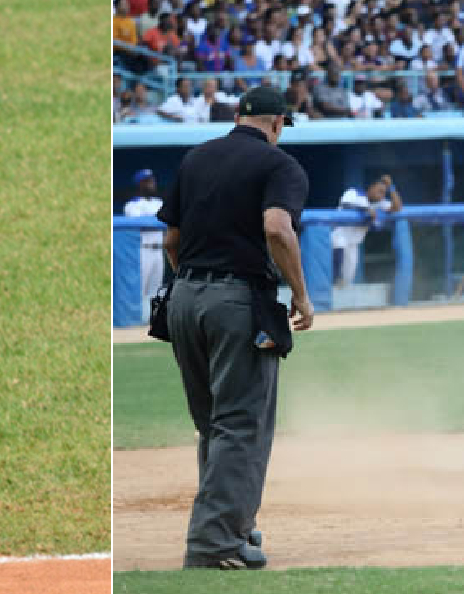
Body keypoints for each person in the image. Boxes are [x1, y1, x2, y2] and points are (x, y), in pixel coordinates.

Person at [157, 86, 313, 570]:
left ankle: (235, 525)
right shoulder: (279, 165)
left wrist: (192, 282)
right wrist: (302, 296)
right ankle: (213, 544)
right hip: (237, 300)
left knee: (214, 424)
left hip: (184, 298)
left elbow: (172, 237)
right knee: (241, 425)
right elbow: (276, 228)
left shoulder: (197, 158)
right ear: (277, 123)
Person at [330, 175, 403, 286]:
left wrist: (391, 187)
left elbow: (397, 208)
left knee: (347, 279)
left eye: (384, 192)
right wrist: (366, 209)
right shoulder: (354, 192)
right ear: (371, 188)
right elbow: (346, 204)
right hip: (339, 235)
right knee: (336, 273)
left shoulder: (380, 203)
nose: (382, 195)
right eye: (379, 191)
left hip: (353, 243)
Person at [124, 169, 166, 324]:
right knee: (141, 288)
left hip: (158, 250)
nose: (152, 183)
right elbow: (146, 222)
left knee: (156, 290)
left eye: (152, 180)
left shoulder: (159, 202)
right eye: (148, 181)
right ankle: (137, 323)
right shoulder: (132, 205)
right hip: (143, 250)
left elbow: (165, 219)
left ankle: (152, 323)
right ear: (140, 184)